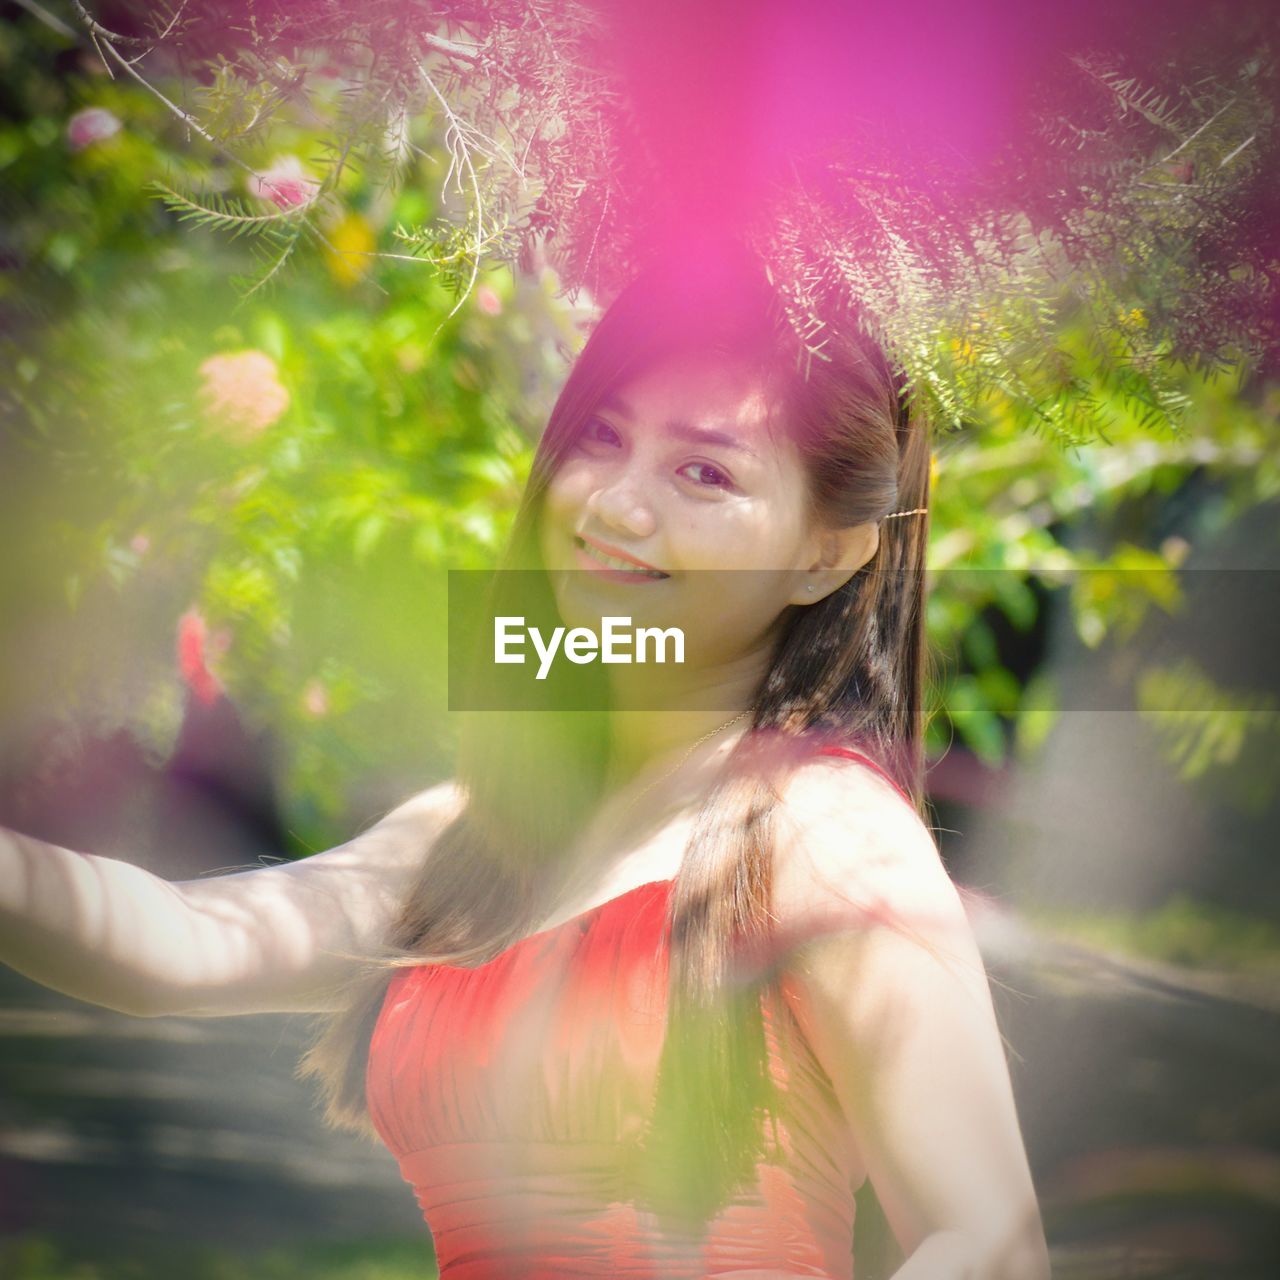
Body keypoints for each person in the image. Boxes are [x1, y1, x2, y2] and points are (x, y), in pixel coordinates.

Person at [0, 246, 1050, 1279]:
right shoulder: (474, 833)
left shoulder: (825, 835)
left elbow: (987, 1241)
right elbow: (165, 942)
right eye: (601, 436)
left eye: (702, 470)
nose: (612, 507)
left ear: (826, 551)